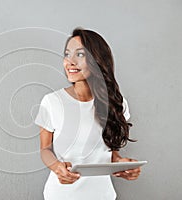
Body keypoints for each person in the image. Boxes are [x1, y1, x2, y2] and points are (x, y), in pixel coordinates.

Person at [34, 27, 142, 200]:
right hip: (61, 195)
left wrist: (122, 165)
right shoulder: (52, 101)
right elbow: (45, 149)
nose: (70, 61)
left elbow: (110, 153)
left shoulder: (116, 103)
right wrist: (56, 167)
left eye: (80, 55)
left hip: (103, 195)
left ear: (97, 60)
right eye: (67, 54)